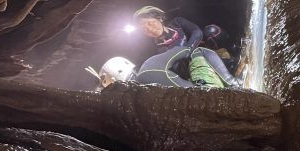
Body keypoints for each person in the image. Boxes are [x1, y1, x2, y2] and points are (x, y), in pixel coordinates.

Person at [90, 46, 241, 89]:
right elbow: (182, 50)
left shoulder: (130, 102)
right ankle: (234, 84)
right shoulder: (148, 68)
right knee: (198, 52)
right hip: (206, 94)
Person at [133, 6, 203, 54]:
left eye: (150, 23)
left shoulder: (177, 23)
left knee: (211, 30)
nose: (150, 29)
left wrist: (188, 50)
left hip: (202, 52)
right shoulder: (157, 50)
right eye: (144, 29)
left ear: (159, 18)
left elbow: (197, 32)